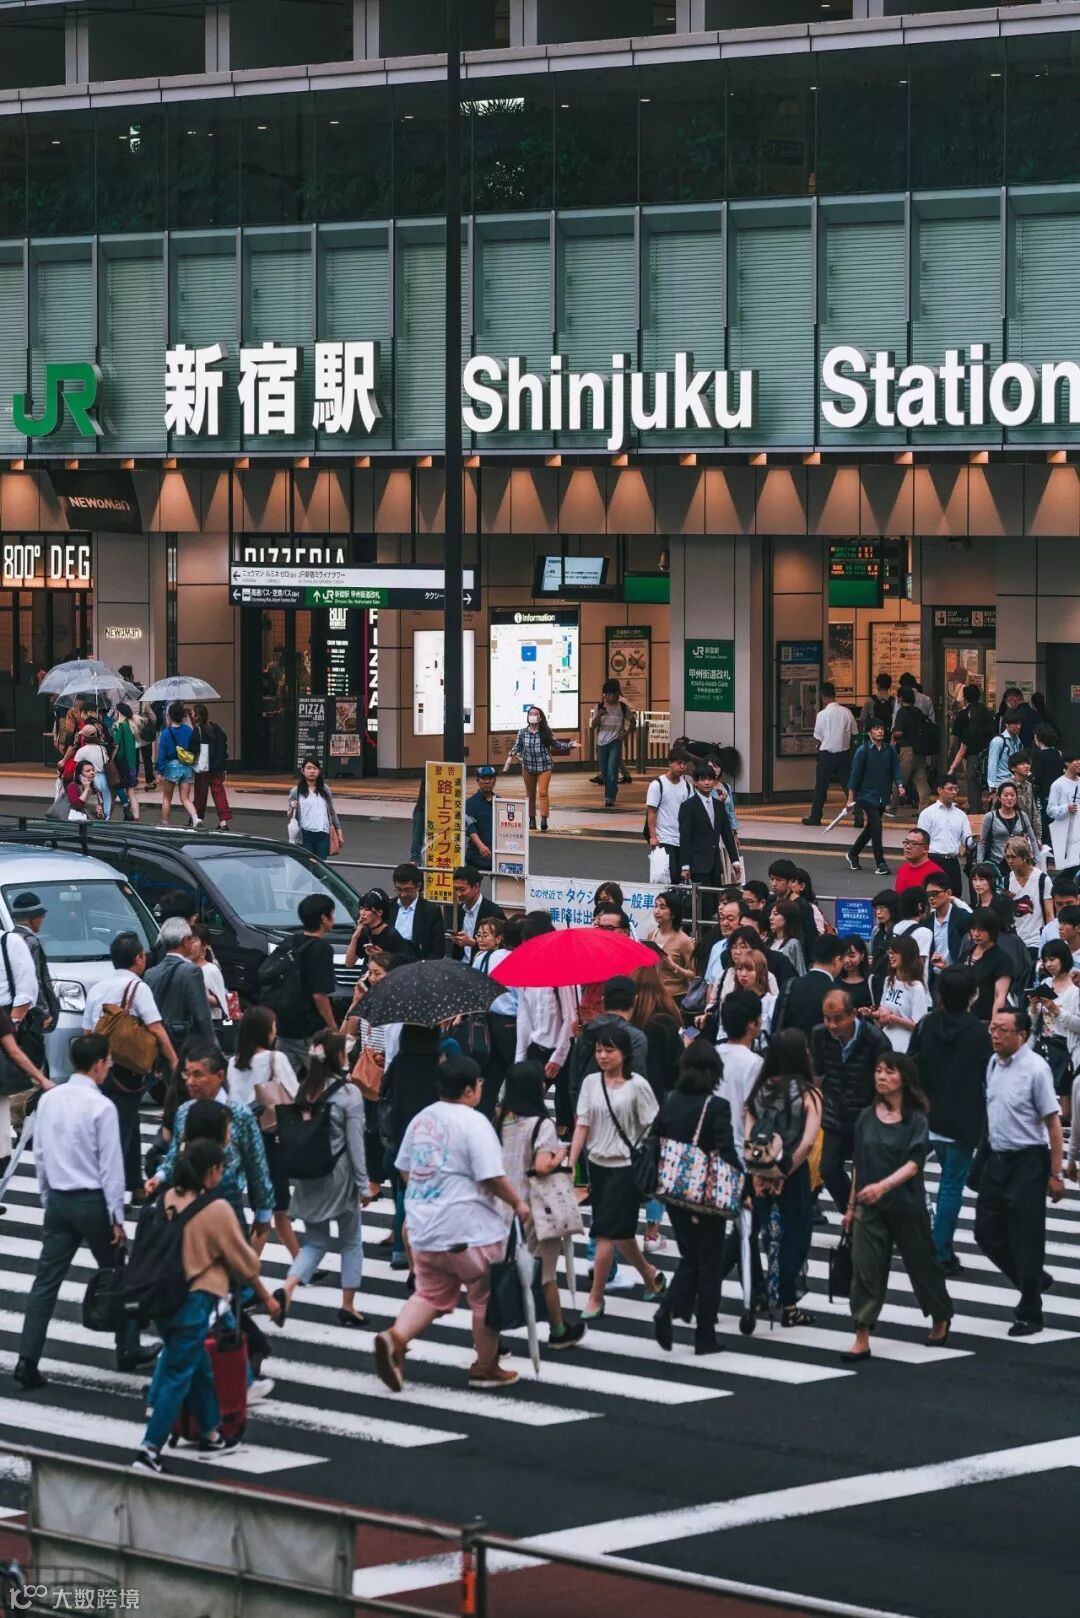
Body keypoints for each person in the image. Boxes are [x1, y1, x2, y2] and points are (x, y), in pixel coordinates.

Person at [374, 1055, 531, 1393]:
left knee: (429, 1294)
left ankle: (396, 1337)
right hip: (469, 1228)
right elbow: (491, 1176)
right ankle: (485, 1366)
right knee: (484, 1296)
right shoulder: (474, 1123)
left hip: (424, 1228)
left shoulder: (422, 1119)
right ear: (470, 1089)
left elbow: (405, 1168)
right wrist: (518, 1204)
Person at [131, 1139, 279, 1474]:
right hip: (194, 1299)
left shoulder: (167, 1197)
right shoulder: (216, 1209)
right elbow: (245, 1262)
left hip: (161, 1298)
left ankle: (211, 1433)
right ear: (212, 1171)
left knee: (197, 1364)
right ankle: (149, 1450)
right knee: (177, 1374)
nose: (222, 1174)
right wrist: (266, 1295)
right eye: (221, 1168)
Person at [14, 1034, 150, 1391]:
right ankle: (127, 1347)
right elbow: (111, 1168)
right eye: (108, 1061)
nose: (109, 1067)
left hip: (59, 1199)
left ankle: (27, 1359)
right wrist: (117, 1218)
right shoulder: (102, 1107)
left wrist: (47, 1197)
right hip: (93, 1202)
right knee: (118, 1273)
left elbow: (40, 1153)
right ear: (99, 1064)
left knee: (46, 1282)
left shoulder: (50, 1099)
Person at [842, 1054, 953, 1361]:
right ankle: (861, 1335)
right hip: (869, 1207)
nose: (881, 1076)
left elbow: (915, 1164)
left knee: (923, 1266)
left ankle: (940, 1315)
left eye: (889, 1072)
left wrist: (884, 1186)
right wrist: (851, 1207)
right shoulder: (865, 1117)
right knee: (865, 1271)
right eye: (878, 1071)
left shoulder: (916, 1120)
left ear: (903, 1079)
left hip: (907, 1206)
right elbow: (858, 1164)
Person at [272, 1032, 373, 1328]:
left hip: (309, 1172)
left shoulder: (305, 1090)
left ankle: (287, 1288)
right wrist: (364, 1184)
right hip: (339, 1174)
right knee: (351, 1240)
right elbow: (355, 1143)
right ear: (338, 1058)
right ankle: (348, 1306)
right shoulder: (349, 1093)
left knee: (315, 1241)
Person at [974, 1009, 1064, 1335]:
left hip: (1029, 1160)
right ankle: (1033, 1280)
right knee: (985, 1231)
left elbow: (1053, 1124)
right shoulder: (993, 1063)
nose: (995, 1035)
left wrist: (1056, 1173)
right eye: (993, 1029)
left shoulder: (1036, 1070)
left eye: (1003, 1030)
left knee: (1027, 1236)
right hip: (998, 1158)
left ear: (1022, 1036)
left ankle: (1030, 1312)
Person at [650, 1040, 741, 1355]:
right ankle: (704, 1335)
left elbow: (656, 1138)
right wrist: (743, 1187)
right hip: (705, 1194)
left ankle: (669, 1309)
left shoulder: (670, 1100)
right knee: (709, 1265)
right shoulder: (716, 1106)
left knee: (691, 1256)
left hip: (674, 1190)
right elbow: (726, 1152)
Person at [570, 1025, 665, 1321]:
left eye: (609, 1050)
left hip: (625, 1168)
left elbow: (653, 1126)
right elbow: (582, 1124)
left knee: (604, 1233)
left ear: (624, 1054)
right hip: (598, 1165)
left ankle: (595, 1298)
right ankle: (649, 1275)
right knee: (621, 1233)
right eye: (599, 1050)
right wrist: (571, 1163)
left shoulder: (637, 1086)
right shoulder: (590, 1083)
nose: (602, 1056)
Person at [494, 1062, 586, 1350]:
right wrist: (561, 1154)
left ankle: (492, 1336)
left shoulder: (500, 1120)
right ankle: (558, 1330)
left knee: (503, 1271)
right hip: (536, 1208)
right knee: (545, 1274)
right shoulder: (541, 1124)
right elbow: (542, 1166)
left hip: (504, 1207)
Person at [909, 967, 992, 1274]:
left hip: (926, 1116)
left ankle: (929, 1242)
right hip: (961, 1120)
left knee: (926, 1179)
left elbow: (912, 1062)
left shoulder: (927, 1024)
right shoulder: (978, 1033)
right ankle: (940, 1251)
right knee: (950, 1187)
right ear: (973, 995)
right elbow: (987, 1078)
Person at [83, 932, 178, 1195]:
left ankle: (135, 1185)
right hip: (128, 1069)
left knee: (128, 1122)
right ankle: (108, 1194)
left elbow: (87, 1032)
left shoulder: (98, 989)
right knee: (121, 1130)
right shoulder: (138, 988)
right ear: (138, 958)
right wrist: (173, 1060)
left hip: (100, 1067)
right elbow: (156, 1028)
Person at [149, 1043, 274, 1234]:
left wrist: (263, 1212)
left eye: (198, 1074)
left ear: (220, 1076)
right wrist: (160, 1177)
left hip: (226, 1208)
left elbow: (256, 1164)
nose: (190, 1082)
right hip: (187, 1209)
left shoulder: (239, 1115)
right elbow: (175, 1155)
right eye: (187, 1074)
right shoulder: (184, 1112)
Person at [744, 1029, 823, 1328]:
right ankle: (788, 1302)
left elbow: (750, 1135)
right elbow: (808, 1141)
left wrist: (759, 1173)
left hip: (761, 1172)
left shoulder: (760, 1090)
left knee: (769, 1233)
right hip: (794, 1173)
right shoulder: (809, 1093)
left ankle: (770, 1294)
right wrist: (785, 1171)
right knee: (797, 1235)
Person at [226, 1004, 299, 1258]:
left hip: (244, 1137)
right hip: (271, 1137)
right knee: (268, 1208)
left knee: (277, 1208)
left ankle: (301, 1263)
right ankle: (247, 1268)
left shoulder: (233, 1062)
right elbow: (294, 1094)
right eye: (273, 1026)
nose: (275, 1031)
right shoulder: (274, 1059)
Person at [810, 987, 891, 1215]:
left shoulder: (875, 1040)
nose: (832, 1025)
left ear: (853, 1014)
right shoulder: (820, 1035)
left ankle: (864, 1220)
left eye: (838, 1019)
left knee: (864, 1175)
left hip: (866, 1117)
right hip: (834, 1113)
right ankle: (851, 1214)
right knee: (828, 1169)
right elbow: (817, 1073)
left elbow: (885, 1084)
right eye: (827, 1018)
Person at [380, 1023, 442, 1269]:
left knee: (404, 1191)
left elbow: (385, 1091)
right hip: (430, 1134)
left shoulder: (400, 1061)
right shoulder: (438, 1064)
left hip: (402, 1129)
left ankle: (400, 1251)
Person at [274, 894, 337, 1078]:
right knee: (325, 1081)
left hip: (284, 1026)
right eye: (332, 913)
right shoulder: (322, 949)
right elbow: (319, 995)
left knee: (283, 1084)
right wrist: (333, 1026)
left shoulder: (290, 941)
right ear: (324, 918)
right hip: (308, 1030)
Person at [144, 917, 216, 1051]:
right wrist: (212, 1047)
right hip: (184, 1043)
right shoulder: (191, 971)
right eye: (191, 939)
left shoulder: (150, 974)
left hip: (158, 1044)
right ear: (185, 941)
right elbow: (202, 1016)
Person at [9, 891, 59, 1071]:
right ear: (33, 919)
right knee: (34, 1063)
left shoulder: (8, 940)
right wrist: (43, 1014)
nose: (42, 920)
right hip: (30, 1015)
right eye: (41, 916)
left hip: (12, 1010)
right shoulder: (31, 942)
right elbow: (35, 981)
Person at [505, 705, 576, 829]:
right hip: (528, 767)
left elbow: (557, 745)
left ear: (540, 718)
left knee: (543, 793)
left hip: (544, 767)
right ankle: (532, 819)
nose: (532, 716)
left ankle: (544, 819)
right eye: (530, 714)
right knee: (530, 795)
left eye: (535, 714)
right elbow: (517, 747)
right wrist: (512, 753)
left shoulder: (546, 732)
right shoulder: (522, 732)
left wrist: (571, 745)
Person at [846, 719, 902, 876]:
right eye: (876, 729)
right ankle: (880, 863)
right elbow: (854, 776)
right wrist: (850, 798)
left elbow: (896, 769)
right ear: (869, 732)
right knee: (877, 827)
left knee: (871, 828)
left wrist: (900, 785)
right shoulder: (863, 751)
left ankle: (853, 853)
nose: (880, 731)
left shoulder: (889, 750)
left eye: (882, 728)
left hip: (882, 795)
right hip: (866, 795)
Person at [1030, 941, 1080, 1115]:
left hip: (1066, 1048)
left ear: (1063, 959)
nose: (1049, 964)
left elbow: (1078, 1025)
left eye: (1052, 959)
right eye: (1045, 960)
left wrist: (1056, 1010)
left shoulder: (1075, 990)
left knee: (1064, 1095)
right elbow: (1032, 1022)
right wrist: (1033, 1006)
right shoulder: (1045, 983)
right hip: (1044, 1045)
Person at [802, 683, 857, 826]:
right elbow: (854, 732)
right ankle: (858, 816)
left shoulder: (822, 714)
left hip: (826, 755)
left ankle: (815, 817)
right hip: (844, 755)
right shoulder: (847, 712)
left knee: (821, 787)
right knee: (848, 787)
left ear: (822, 696)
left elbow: (818, 737)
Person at [679, 763, 741, 889]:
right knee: (703, 899)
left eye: (710, 779)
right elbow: (685, 837)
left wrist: (735, 860)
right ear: (696, 782)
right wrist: (685, 865)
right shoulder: (688, 806)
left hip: (715, 864)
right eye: (702, 779)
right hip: (697, 864)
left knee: (716, 897)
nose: (707, 783)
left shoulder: (719, 805)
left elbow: (727, 834)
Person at [772, 933, 844, 1039]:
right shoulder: (838, 994)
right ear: (837, 960)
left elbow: (775, 1026)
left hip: (788, 1047)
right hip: (821, 1049)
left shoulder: (789, 986)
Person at [869, 933, 929, 1054]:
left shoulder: (916, 987)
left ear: (906, 955)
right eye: (890, 952)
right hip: (885, 1042)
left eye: (895, 953)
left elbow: (918, 1025)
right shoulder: (888, 981)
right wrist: (874, 1013)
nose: (891, 956)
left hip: (905, 1047)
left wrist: (893, 1018)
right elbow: (883, 1009)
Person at [645, 748, 694, 884]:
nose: (682, 767)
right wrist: (653, 837)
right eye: (679, 763)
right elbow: (651, 812)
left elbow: (691, 813)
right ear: (670, 763)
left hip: (682, 839)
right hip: (664, 838)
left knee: (682, 879)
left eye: (685, 764)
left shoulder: (688, 787)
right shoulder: (657, 785)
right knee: (666, 878)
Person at [958, 907, 1013, 1023]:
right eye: (973, 929)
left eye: (981, 930)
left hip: (985, 1020)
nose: (976, 934)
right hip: (962, 1019)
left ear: (991, 930)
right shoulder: (967, 953)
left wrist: (994, 1024)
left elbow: (1000, 996)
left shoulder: (1002, 959)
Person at [948, 683, 996, 813]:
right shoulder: (986, 712)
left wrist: (950, 751)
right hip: (988, 754)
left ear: (965, 697)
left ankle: (975, 809)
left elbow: (955, 736)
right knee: (987, 783)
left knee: (972, 782)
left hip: (971, 754)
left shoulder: (963, 715)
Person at [1004, 836, 1052, 961]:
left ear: (1025, 857)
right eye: (1007, 857)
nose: (1010, 861)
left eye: (1013, 857)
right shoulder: (1006, 881)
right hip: (1014, 942)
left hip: (1036, 941)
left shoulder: (1042, 880)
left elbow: (1049, 915)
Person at [287, 755, 343, 860]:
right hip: (304, 834)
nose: (312, 771)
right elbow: (290, 816)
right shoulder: (296, 791)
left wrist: (339, 832)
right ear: (303, 771)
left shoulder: (325, 789)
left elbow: (331, 811)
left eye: (315, 768)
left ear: (319, 771)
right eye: (308, 768)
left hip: (323, 833)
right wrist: (292, 807)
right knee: (307, 864)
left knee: (321, 864)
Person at [645, 888, 696, 1002]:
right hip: (653, 994)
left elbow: (693, 974)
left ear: (673, 913)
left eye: (662, 907)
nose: (657, 911)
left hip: (675, 996)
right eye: (656, 906)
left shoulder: (684, 940)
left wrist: (673, 966)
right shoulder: (652, 934)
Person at [978, 781, 1039, 876]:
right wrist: (980, 865)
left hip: (1018, 863)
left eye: (1012, 795)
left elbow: (1032, 839)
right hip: (996, 862)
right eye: (1006, 795)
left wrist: (1036, 860)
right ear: (999, 798)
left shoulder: (1022, 816)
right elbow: (982, 842)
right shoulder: (990, 817)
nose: (1009, 798)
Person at [590, 679, 634, 808]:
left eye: (614, 694)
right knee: (604, 772)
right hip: (601, 742)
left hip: (615, 742)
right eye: (608, 694)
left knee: (611, 770)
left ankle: (609, 797)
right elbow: (593, 726)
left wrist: (625, 734)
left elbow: (633, 722)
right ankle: (613, 788)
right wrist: (599, 716)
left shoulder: (623, 707)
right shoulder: (599, 707)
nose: (611, 697)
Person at [387, 862, 445, 961]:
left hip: (418, 963)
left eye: (407, 890)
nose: (403, 895)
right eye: (398, 889)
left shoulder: (430, 910)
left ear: (418, 886)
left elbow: (438, 949)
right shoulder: (388, 907)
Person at [344, 888, 413, 970]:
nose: (362, 913)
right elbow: (349, 963)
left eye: (367, 909)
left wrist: (382, 956)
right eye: (361, 908)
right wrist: (355, 936)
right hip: (367, 976)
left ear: (379, 912)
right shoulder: (364, 932)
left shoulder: (391, 935)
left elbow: (408, 963)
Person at [157, 699, 200, 828]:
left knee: (167, 798)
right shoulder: (188, 730)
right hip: (186, 766)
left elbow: (162, 754)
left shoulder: (165, 733)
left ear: (169, 716)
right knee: (185, 798)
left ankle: (165, 823)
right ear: (183, 715)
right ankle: (195, 818)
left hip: (171, 766)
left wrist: (160, 771)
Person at [890, 686, 932, 817]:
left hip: (907, 750)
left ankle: (892, 807)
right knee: (921, 780)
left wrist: (892, 734)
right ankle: (924, 809)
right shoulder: (918, 712)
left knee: (900, 780)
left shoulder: (902, 712)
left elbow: (899, 732)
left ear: (901, 698)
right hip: (920, 750)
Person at [448, 866, 504, 964]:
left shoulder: (493, 912)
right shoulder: (458, 910)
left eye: (462, 889)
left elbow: (500, 946)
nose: (458, 894)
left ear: (476, 887)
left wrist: (473, 943)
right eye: (456, 889)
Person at [191, 703, 232, 830]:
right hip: (218, 766)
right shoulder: (216, 728)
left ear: (197, 716)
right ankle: (223, 821)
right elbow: (224, 742)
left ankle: (196, 818)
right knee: (219, 793)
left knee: (200, 795)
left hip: (204, 768)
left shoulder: (197, 731)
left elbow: (192, 748)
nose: (191, 715)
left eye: (192, 713)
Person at [924, 873, 972, 977]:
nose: (931, 898)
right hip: (933, 977)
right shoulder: (927, 922)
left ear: (948, 893)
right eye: (928, 894)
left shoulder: (963, 918)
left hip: (957, 976)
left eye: (935, 893)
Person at [1045, 751, 1080, 877]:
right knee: (1069, 868)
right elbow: (1050, 810)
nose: (1079, 762)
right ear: (1067, 763)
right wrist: (1066, 808)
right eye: (1075, 760)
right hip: (1065, 832)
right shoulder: (1058, 784)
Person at [73, 723, 113, 821]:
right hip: (103, 777)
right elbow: (106, 761)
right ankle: (105, 818)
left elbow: (77, 767)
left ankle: (92, 818)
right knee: (106, 799)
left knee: (92, 800)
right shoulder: (102, 749)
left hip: (90, 778)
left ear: (84, 737)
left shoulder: (82, 751)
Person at [894, 828, 946, 901]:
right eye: (906, 842)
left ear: (925, 848)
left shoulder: (935, 873)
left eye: (914, 843)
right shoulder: (902, 868)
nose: (908, 847)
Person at [111, 703, 140, 822]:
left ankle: (123, 810)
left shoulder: (119, 726)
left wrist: (110, 760)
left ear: (118, 712)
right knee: (131, 793)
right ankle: (136, 819)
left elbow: (116, 746)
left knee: (115, 785)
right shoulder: (131, 726)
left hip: (122, 765)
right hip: (132, 765)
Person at [464, 764, 497, 868]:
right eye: (483, 778)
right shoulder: (470, 803)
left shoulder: (501, 802)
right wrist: (481, 846)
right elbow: (470, 827)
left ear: (495, 781)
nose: (487, 781)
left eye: (490, 778)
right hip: (476, 856)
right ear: (477, 781)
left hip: (497, 856)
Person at [1032, 723, 1064, 830]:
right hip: (1058, 794)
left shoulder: (1038, 756)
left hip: (1044, 794)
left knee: (1044, 825)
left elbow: (1037, 777)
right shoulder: (1058, 753)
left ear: (1038, 738)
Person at [986, 712, 1023, 793]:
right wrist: (992, 787)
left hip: (1014, 783)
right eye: (1015, 724)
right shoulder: (998, 741)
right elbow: (992, 764)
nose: (1018, 727)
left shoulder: (1018, 740)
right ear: (1007, 724)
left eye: (1019, 724)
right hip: (1000, 783)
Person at [768, 901, 806, 977]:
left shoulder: (793, 943)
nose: (771, 918)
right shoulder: (768, 942)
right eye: (770, 914)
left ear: (787, 917)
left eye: (776, 914)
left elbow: (800, 970)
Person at [838, 935, 873, 1010]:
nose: (846, 960)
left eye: (852, 956)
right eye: (843, 956)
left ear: (862, 955)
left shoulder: (872, 983)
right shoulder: (835, 981)